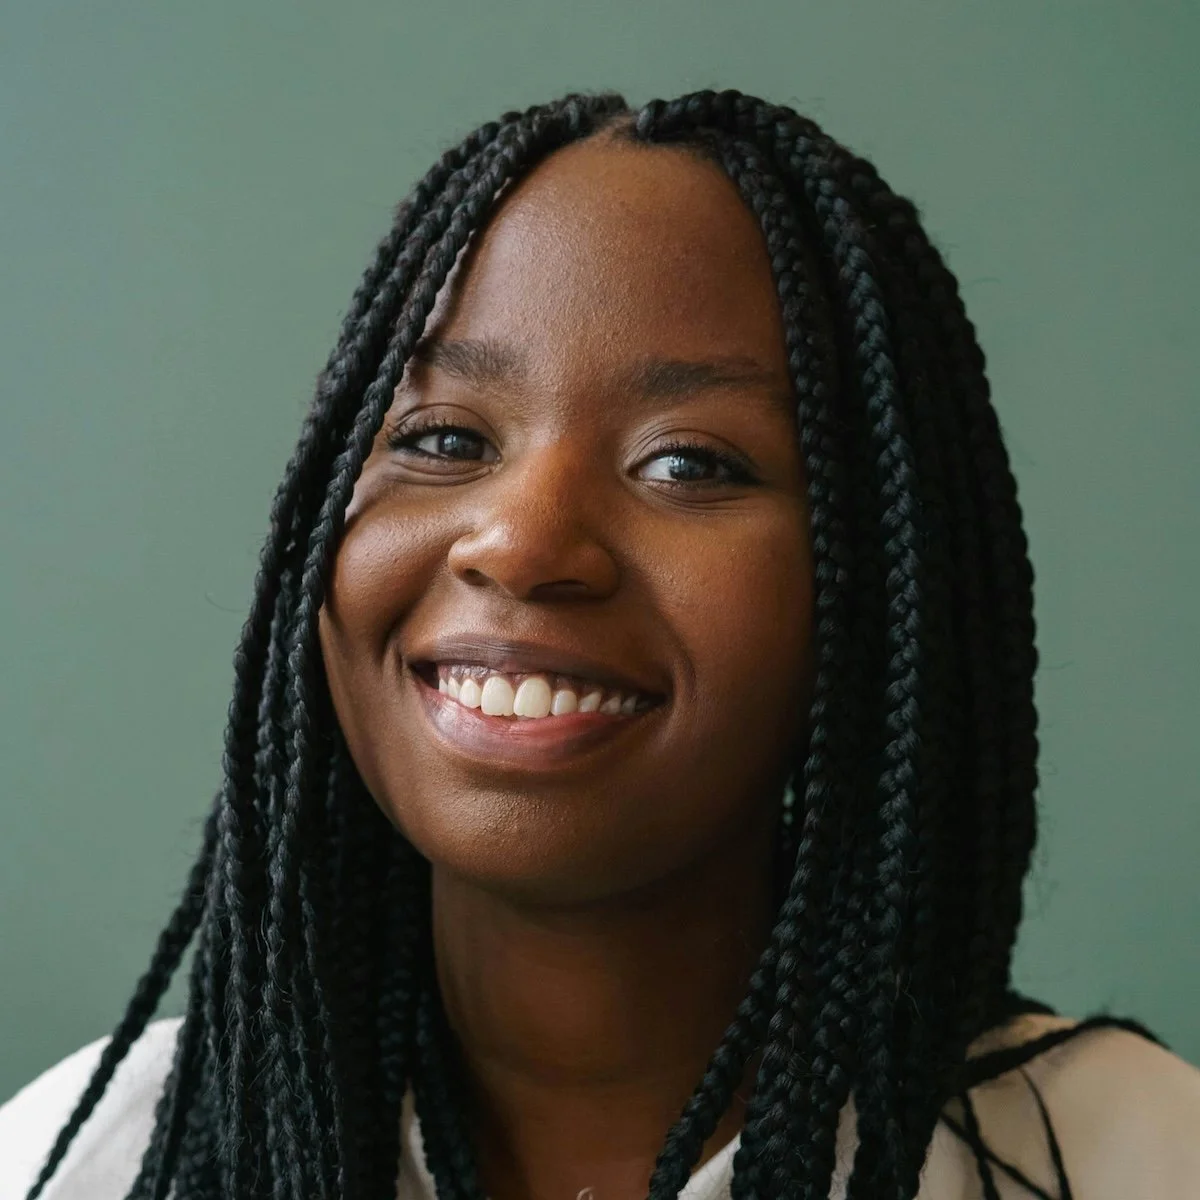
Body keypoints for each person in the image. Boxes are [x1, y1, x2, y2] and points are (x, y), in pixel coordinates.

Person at [2, 89, 1197, 1200]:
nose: (523, 544)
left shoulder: (1129, 1161)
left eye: (689, 462)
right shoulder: (86, 1163)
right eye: (445, 439)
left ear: (879, 579)